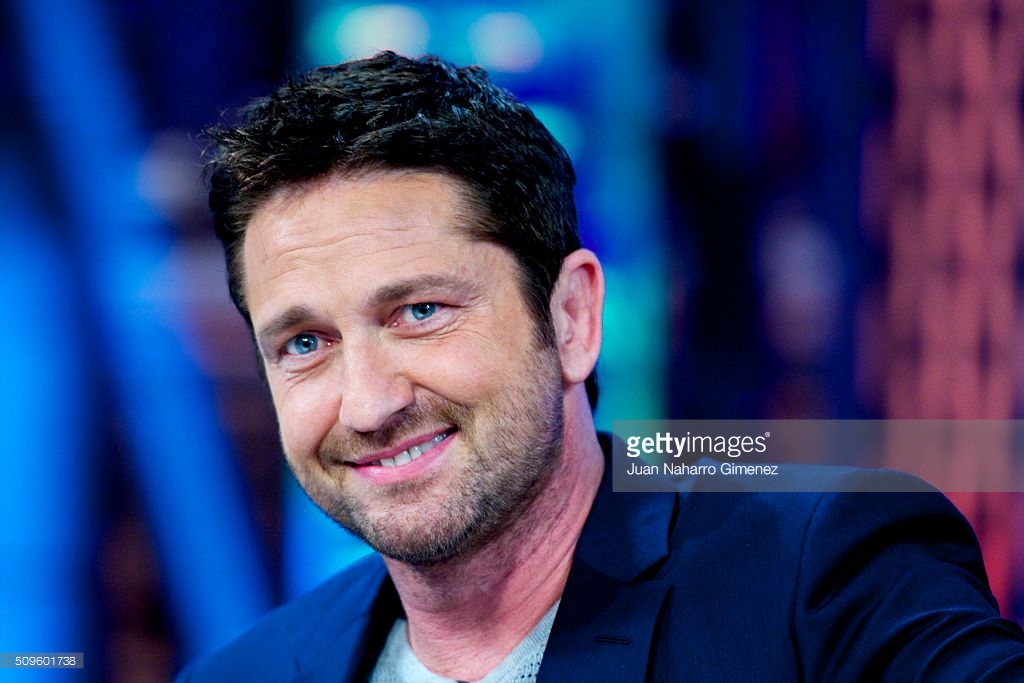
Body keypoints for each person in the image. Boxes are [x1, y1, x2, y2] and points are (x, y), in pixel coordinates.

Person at [178, 51, 1024, 682]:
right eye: (305, 343)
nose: (367, 404)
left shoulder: (821, 574)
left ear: (573, 317)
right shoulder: (239, 675)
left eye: (420, 312)